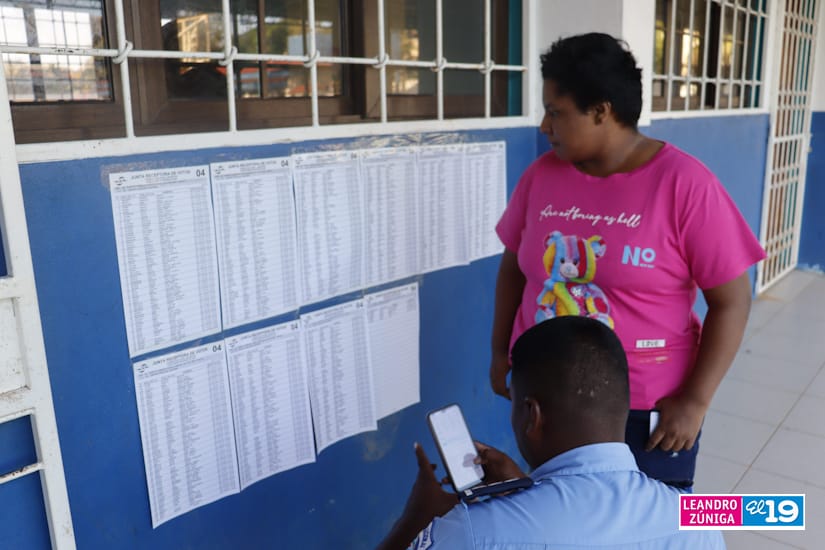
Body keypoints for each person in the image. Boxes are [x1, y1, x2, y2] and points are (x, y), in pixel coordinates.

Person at [490, 32, 766, 488]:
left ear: (601, 111)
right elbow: (512, 269)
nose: (544, 126)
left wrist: (695, 401)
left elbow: (732, 300)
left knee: (659, 520)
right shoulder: (541, 177)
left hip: (644, 412)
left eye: (556, 112)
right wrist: (501, 351)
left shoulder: (685, 185)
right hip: (547, 401)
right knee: (562, 515)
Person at [377, 316, 726, 549]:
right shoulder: (700, 521)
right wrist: (529, 489)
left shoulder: (469, 532)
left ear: (532, 415)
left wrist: (415, 521)